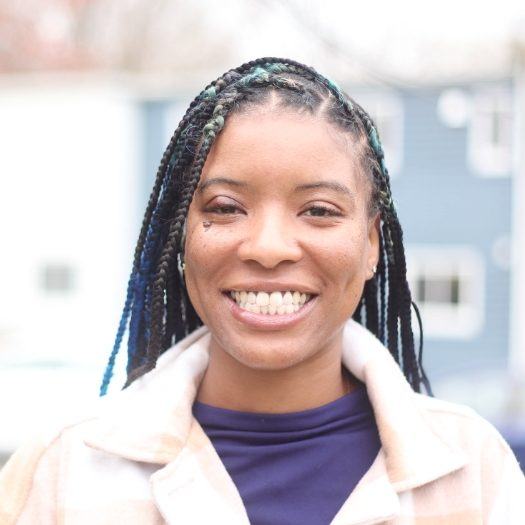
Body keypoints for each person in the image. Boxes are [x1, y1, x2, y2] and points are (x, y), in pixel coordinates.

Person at [1, 57, 524, 524]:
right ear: (181, 238)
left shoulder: (475, 473)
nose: (269, 248)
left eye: (319, 210)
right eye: (226, 208)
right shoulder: (63, 473)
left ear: (371, 245)